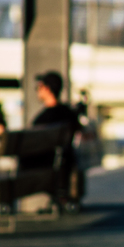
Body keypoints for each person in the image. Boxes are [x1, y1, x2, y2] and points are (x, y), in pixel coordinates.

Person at [30, 71, 81, 203]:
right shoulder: (69, 113)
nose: (37, 91)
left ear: (47, 89)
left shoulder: (42, 119)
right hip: (66, 162)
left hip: (43, 166)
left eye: (38, 87)